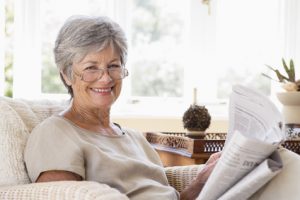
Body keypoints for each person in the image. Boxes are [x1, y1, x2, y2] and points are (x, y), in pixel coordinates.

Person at [24, 15, 220, 200]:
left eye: (113, 66)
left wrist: (203, 181)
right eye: (91, 67)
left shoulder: (136, 139)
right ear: (66, 75)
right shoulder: (55, 132)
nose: (106, 78)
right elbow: (60, 195)